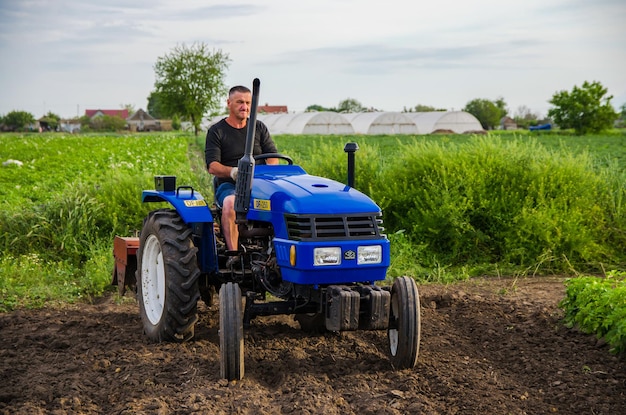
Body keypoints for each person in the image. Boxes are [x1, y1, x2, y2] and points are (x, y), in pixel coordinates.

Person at [205, 85, 278, 264]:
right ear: (229, 103)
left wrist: (266, 174)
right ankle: (234, 254)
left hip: (259, 183)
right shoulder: (217, 131)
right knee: (231, 203)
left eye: (247, 103)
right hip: (230, 185)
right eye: (239, 102)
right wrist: (233, 172)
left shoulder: (259, 128)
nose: (244, 106)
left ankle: (277, 253)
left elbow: (273, 158)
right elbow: (212, 166)